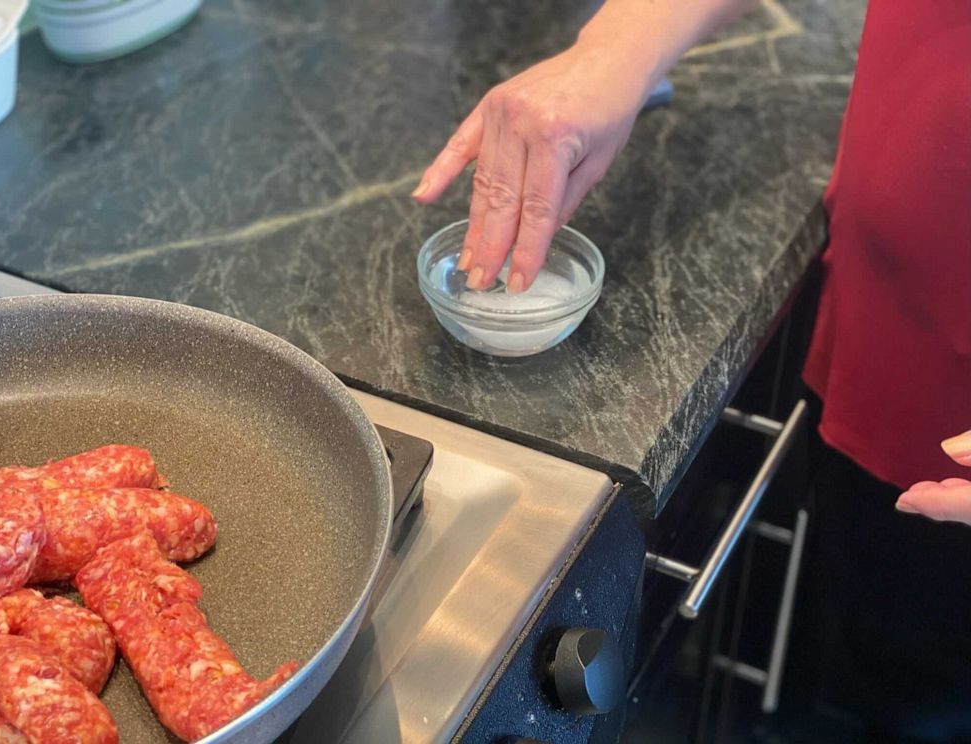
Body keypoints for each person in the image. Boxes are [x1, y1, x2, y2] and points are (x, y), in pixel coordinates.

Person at [413, 0, 971, 739]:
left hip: (954, 455)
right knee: (858, 647)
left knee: (922, 702)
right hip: (885, 335)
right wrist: (616, 47)